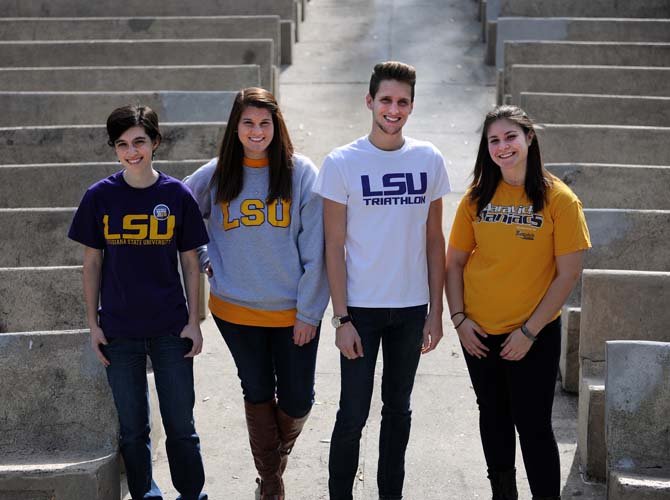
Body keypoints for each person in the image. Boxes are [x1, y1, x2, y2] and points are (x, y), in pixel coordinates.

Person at [314, 61, 450, 500]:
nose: (394, 109)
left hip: (411, 312)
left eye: (403, 102)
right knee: (352, 413)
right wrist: (341, 320)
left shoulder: (428, 159)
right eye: (386, 100)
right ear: (370, 101)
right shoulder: (341, 163)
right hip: (361, 313)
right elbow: (332, 247)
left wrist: (436, 312)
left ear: (412, 106)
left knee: (398, 411)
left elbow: (434, 241)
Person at [184, 87, 328, 500]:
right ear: (235, 127)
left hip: (291, 312)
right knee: (258, 391)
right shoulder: (216, 173)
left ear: (276, 126)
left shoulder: (301, 172)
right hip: (235, 309)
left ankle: (273, 460)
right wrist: (203, 250)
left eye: (265, 123)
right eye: (247, 122)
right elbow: (180, 208)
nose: (256, 131)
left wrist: (310, 313)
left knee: (299, 399)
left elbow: (315, 247)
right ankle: (270, 481)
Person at [445, 105, 591, 500]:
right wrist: (459, 320)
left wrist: (529, 331)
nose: (502, 146)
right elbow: (454, 262)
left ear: (529, 138)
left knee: (533, 424)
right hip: (478, 333)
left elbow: (568, 274)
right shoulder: (477, 197)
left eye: (510, 136)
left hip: (533, 335)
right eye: (494, 140)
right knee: (492, 417)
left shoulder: (560, 200)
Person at [68, 105, 209, 500]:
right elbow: (92, 263)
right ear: (115, 150)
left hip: (170, 327)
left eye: (140, 142)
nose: (133, 151)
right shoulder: (99, 197)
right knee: (133, 428)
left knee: (181, 424)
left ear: (155, 143)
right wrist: (93, 325)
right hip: (119, 330)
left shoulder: (176, 194)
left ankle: (193, 494)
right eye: (123, 145)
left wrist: (194, 321)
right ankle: (146, 493)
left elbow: (190, 260)